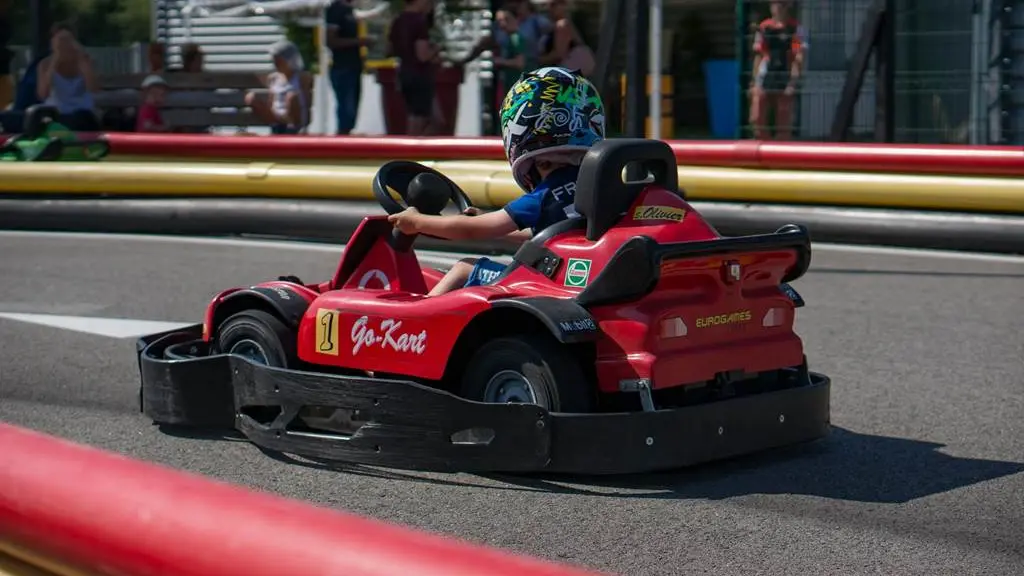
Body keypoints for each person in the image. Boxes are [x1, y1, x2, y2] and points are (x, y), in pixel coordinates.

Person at [388, 67, 605, 296]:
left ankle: (420, 325)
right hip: (581, 280)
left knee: (464, 268)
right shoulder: (596, 187)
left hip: (546, 284)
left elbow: (472, 231)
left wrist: (416, 222)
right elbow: (547, 234)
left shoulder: (542, 196)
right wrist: (486, 217)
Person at [749, 0, 806, 140]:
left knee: (784, 119)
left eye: (782, 4)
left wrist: (793, 82)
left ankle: (782, 152)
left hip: (785, 73)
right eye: (775, 3)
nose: (778, 7)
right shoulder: (764, 27)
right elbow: (758, 55)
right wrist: (754, 81)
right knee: (756, 117)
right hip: (765, 74)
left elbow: (798, 56)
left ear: (789, 6)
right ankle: (764, 147)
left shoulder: (796, 29)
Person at [388, 0, 444, 135]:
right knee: (418, 120)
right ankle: (410, 152)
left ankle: (422, 151)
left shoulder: (398, 21)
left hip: (405, 74)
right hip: (419, 77)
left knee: (437, 120)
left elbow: (389, 49)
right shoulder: (419, 22)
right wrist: (436, 49)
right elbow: (422, 55)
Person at [36, 23, 101, 131]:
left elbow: (94, 88)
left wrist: (81, 59)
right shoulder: (45, 64)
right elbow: (43, 94)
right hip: (57, 112)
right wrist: (55, 60)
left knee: (81, 120)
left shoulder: (87, 61)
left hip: (83, 112)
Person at [245, 40, 312, 134]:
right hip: (277, 118)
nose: (275, 63)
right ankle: (276, 128)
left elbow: (306, 99)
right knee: (251, 97)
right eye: (274, 60)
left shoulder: (301, 77)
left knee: (291, 97)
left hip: (294, 119)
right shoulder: (274, 78)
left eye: (279, 61)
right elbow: (271, 100)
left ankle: (291, 130)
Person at [325, 0, 371, 135]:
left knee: (352, 111)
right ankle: (341, 142)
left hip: (354, 66)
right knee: (346, 109)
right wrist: (359, 42)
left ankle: (346, 136)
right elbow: (331, 40)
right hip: (342, 67)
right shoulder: (335, 10)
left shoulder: (349, 11)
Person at [538, 0, 594, 77]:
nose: (549, 8)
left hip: (568, 74)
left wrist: (538, 60)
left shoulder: (562, 25)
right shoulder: (565, 23)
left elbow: (559, 54)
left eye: (553, 5)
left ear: (564, 5)